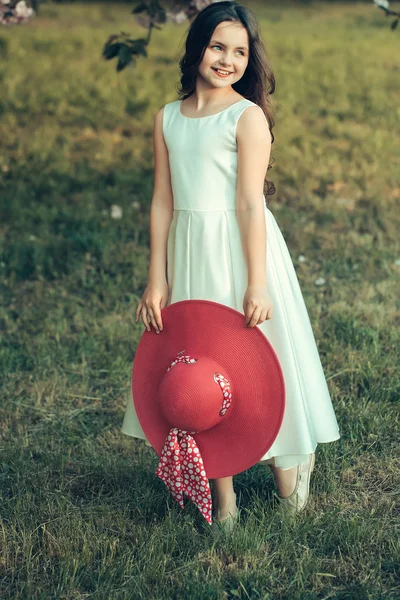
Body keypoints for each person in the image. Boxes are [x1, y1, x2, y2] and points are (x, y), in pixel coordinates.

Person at [122, 1, 340, 527]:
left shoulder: (247, 117)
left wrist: (257, 283)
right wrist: (158, 278)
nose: (227, 60)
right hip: (191, 252)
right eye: (218, 46)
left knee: (261, 360)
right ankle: (225, 500)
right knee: (202, 367)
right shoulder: (169, 118)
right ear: (196, 46)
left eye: (239, 51)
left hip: (244, 251)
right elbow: (161, 201)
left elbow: (248, 204)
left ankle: (290, 472)